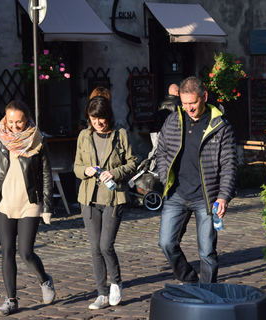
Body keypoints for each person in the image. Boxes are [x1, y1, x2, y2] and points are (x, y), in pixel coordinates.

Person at [156, 76, 238, 284]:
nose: (189, 108)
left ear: (204, 97)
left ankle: (208, 295)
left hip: (206, 197)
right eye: (184, 103)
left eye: (193, 103)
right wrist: (166, 178)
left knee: (207, 253)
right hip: (177, 194)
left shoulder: (221, 126)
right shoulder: (173, 120)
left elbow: (229, 164)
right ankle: (191, 281)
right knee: (166, 243)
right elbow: (162, 152)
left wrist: (223, 196)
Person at [0, 100, 55, 316]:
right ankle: (11, 300)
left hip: (30, 202)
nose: (14, 126)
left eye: (19, 122)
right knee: (7, 252)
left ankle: (44, 279)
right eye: (10, 121)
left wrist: (47, 205)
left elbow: (47, 173)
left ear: (26, 119)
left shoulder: (37, 139)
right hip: (4, 203)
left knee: (26, 252)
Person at [74, 94, 137, 310]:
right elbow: (76, 167)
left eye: (100, 119)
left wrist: (115, 173)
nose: (97, 123)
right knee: (94, 248)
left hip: (114, 198)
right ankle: (101, 293)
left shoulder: (120, 134)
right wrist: (85, 170)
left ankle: (116, 283)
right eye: (93, 120)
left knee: (105, 245)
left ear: (107, 116)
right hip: (89, 200)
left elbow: (132, 164)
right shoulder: (84, 136)